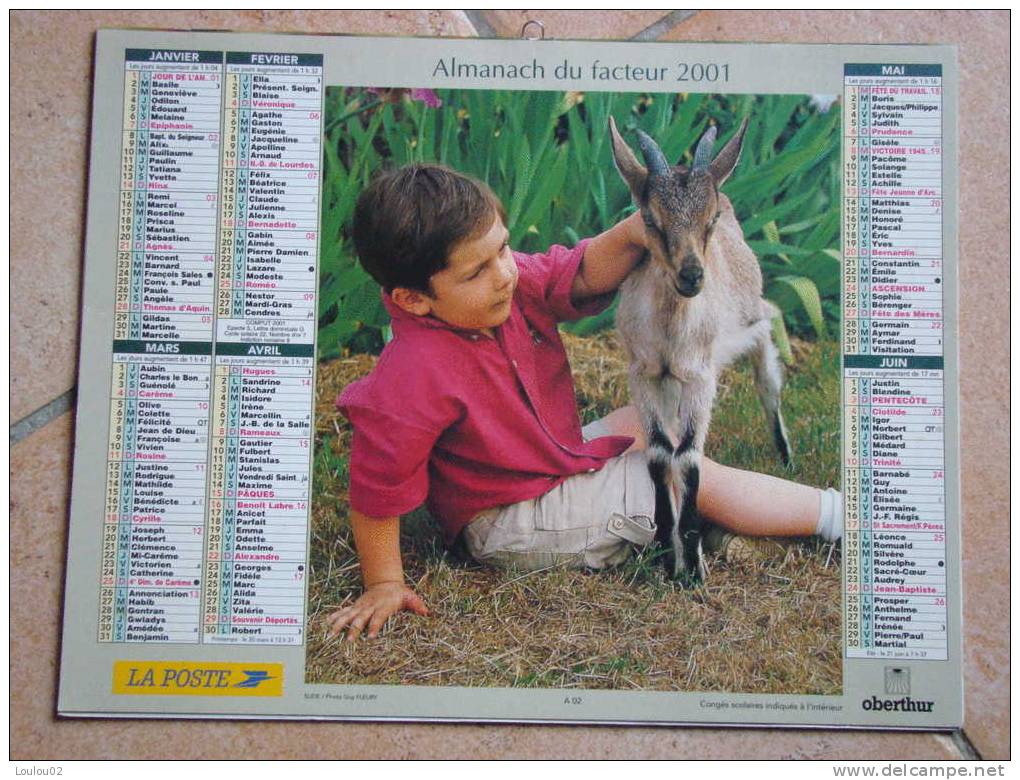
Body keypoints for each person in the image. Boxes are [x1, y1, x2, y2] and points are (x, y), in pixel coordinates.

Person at [326, 163, 841, 641]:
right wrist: (384, 583)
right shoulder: (412, 372)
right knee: (682, 471)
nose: (505, 273)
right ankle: (836, 516)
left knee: (643, 422)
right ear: (414, 299)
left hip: (549, 463)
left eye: (502, 250)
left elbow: (582, 272)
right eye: (476, 271)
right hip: (511, 521)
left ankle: (723, 530)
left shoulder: (503, 289)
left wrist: (641, 229)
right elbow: (376, 486)